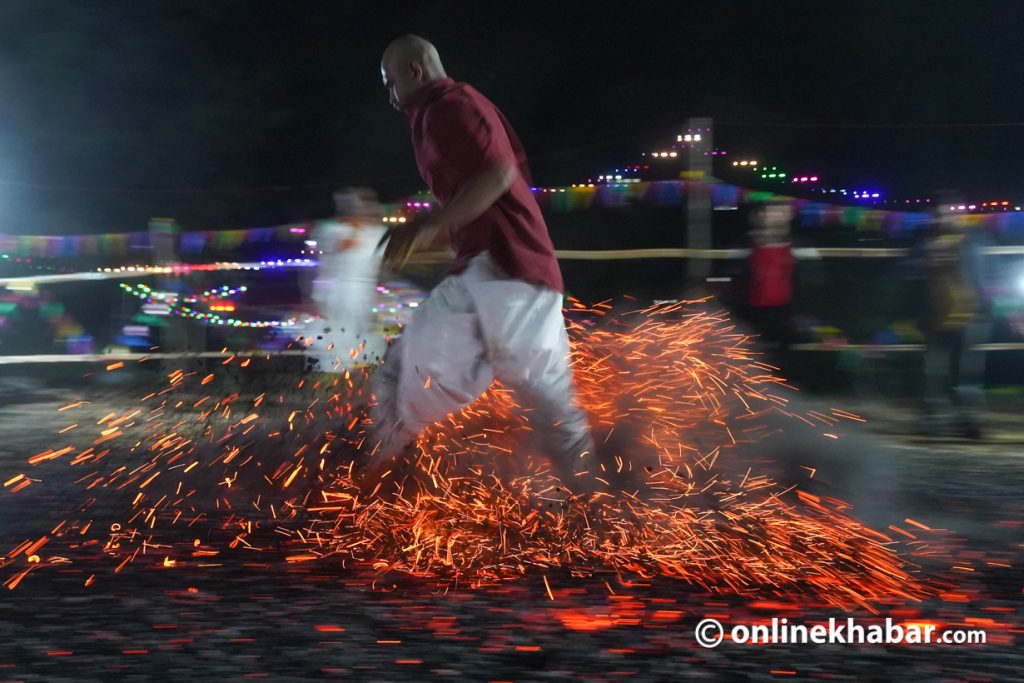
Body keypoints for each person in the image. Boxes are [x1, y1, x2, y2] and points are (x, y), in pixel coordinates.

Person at [367, 35, 594, 492]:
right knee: (406, 373)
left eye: (390, 83)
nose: (390, 97)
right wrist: (434, 235)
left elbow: (496, 175)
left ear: (413, 70)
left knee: (539, 392)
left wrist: (424, 231)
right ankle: (374, 483)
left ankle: (597, 498)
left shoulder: (451, 106)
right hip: (491, 271)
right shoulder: (438, 112)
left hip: (508, 269)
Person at [915, 202, 994, 439]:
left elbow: (989, 275)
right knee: (934, 375)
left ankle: (967, 422)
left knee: (968, 378)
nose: (944, 219)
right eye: (939, 215)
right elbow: (911, 278)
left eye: (950, 213)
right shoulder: (923, 244)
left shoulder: (975, 241)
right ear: (932, 218)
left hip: (972, 318)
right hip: (936, 319)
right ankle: (932, 423)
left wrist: (992, 308)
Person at [304, 187, 387, 371]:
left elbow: (381, 267)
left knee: (360, 342)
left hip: (363, 296)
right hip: (336, 293)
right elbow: (335, 253)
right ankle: (334, 379)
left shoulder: (379, 233)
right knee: (337, 340)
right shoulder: (331, 230)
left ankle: (358, 381)